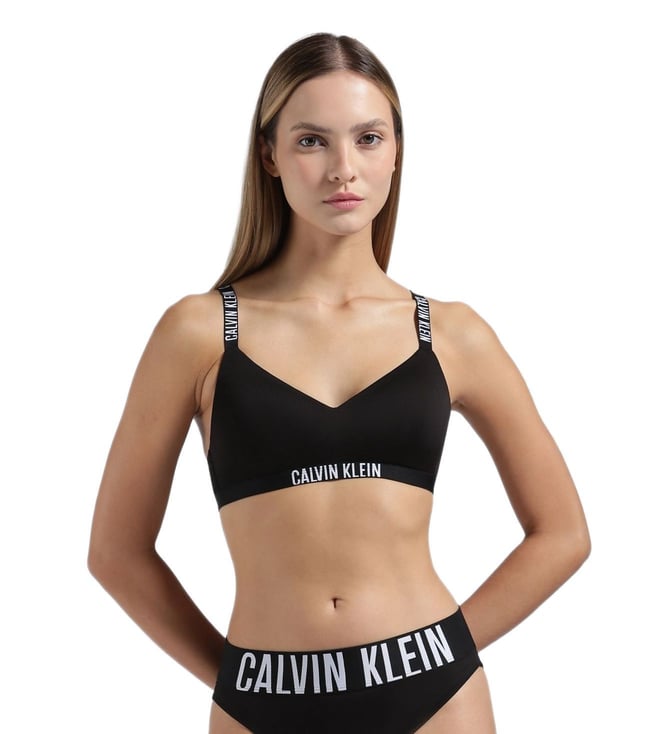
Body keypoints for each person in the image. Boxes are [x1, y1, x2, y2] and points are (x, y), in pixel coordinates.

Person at [88, 32, 591, 733]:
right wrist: (239, 682)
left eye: (368, 138)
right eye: (311, 141)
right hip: (264, 701)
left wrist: (440, 656)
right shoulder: (198, 332)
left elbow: (563, 533)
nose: (343, 169)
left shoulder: (450, 333)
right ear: (270, 155)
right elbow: (115, 553)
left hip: (435, 702)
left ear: (396, 152)